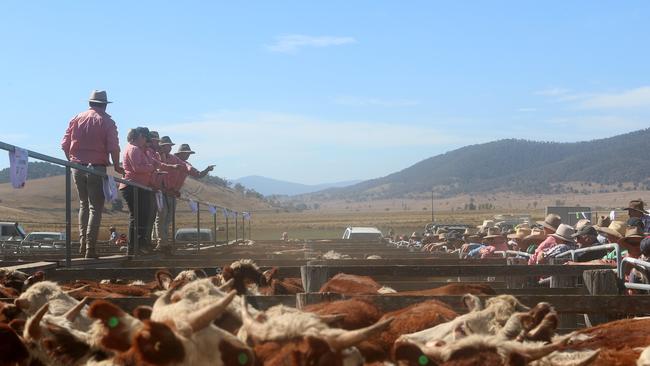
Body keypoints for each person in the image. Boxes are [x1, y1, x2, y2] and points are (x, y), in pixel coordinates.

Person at [61, 90, 124, 258]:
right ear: (104, 104)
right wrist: (116, 165)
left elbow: (64, 144)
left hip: (78, 167)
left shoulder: (76, 118)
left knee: (83, 204)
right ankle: (90, 247)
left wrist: (73, 161)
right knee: (95, 208)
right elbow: (113, 147)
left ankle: (82, 243)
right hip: (97, 167)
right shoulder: (107, 122)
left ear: (90, 103)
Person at [119, 128, 156, 255]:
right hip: (133, 186)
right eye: (145, 137)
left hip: (137, 186)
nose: (146, 140)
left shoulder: (136, 149)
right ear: (139, 136)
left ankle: (138, 244)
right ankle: (135, 245)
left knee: (141, 216)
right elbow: (137, 167)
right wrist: (152, 167)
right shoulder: (134, 149)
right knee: (138, 216)